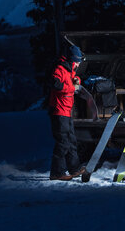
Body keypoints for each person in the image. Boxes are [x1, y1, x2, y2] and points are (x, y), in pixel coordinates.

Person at [48, 44, 86, 181]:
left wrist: (77, 80)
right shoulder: (59, 68)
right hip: (58, 111)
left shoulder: (70, 70)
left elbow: (72, 80)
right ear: (73, 61)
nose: (78, 65)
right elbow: (55, 84)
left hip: (67, 110)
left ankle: (74, 169)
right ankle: (57, 173)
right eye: (78, 62)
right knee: (63, 142)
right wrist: (71, 87)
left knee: (71, 140)